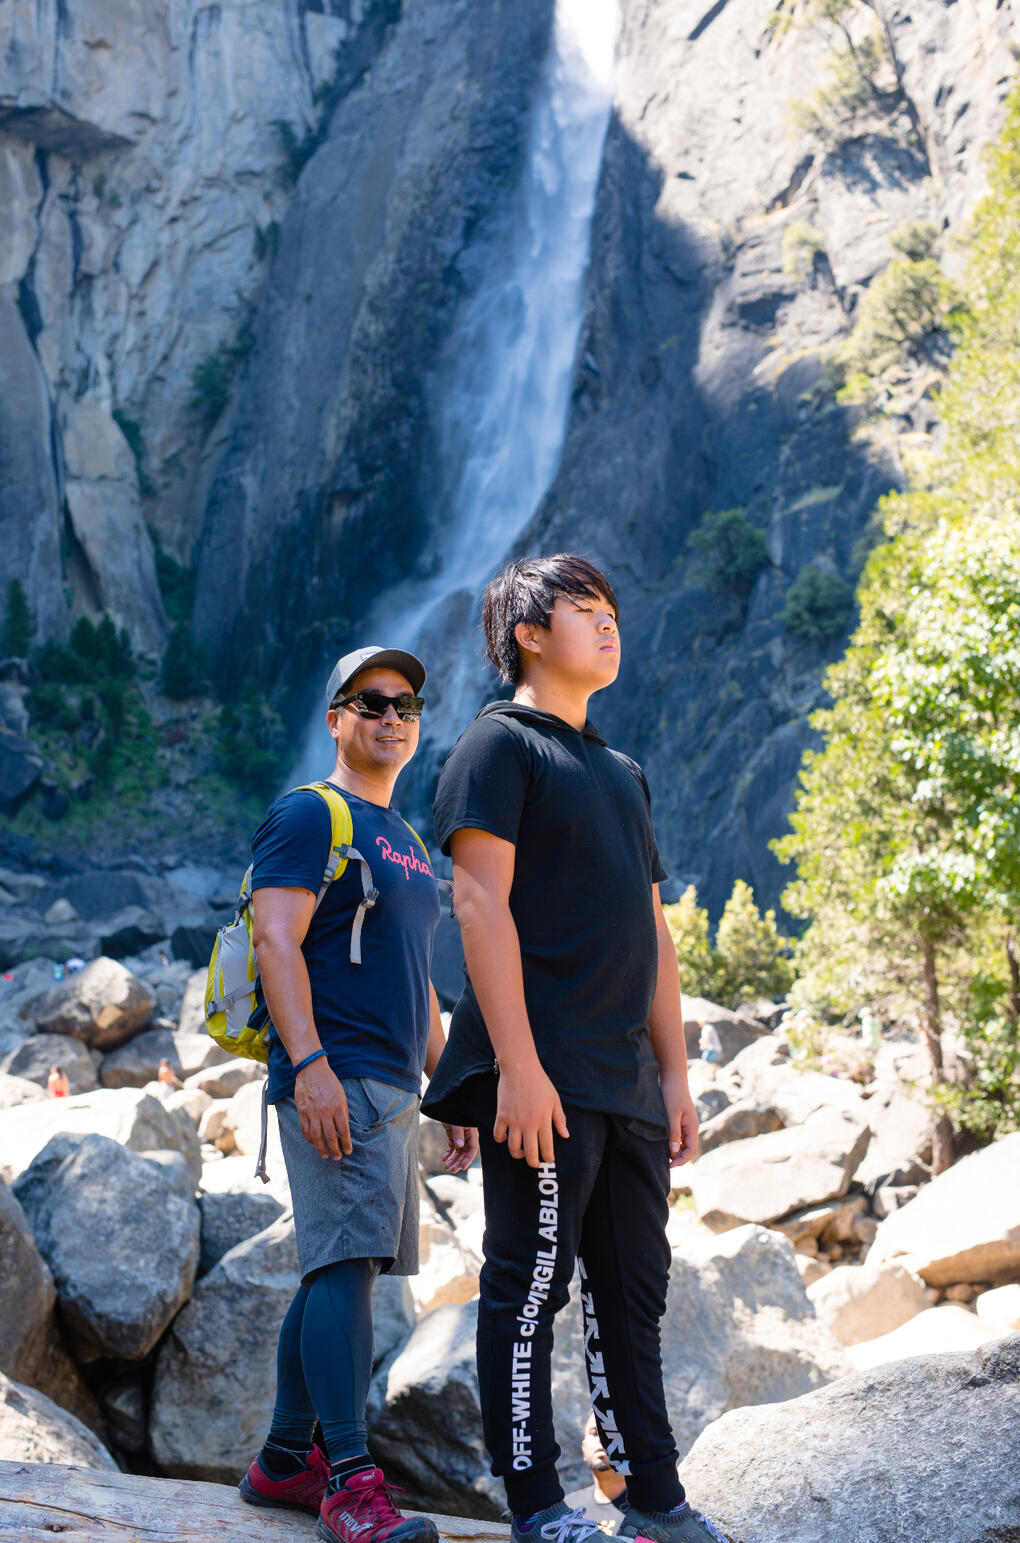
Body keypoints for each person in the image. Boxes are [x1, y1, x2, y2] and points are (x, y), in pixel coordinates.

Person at [422, 555, 729, 1543]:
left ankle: (654, 1497)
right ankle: (535, 1505)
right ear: (528, 633)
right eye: (586, 608)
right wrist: (515, 1066)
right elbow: (478, 903)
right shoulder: (497, 746)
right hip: (544, 1073)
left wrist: (675, 1074)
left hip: (627, 1081)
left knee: (632, 1294)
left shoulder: (623, 772)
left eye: (613, 610)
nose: (609, 623)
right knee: (528, 1286)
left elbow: (654, 932)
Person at [239, 645, 477, 1543]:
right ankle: (348, 1481)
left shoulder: (406, 841)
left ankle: (283, 1460)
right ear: (335, 717)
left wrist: (450, 1084)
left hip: (391, 1084)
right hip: (334, 1073)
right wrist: (309, 1066)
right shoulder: (311, 813)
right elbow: (275, 938)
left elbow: (414, 978)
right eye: (371, 702)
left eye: (406, 704)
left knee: (344, 1264)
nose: (391, 717)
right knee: (344, 1265)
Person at [563, 1413, 628, 1535]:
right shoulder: (568, 1508)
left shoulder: (651, 1506)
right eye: (595, 1433)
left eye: (610, 1433)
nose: (601, 1439)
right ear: (584, 1447)